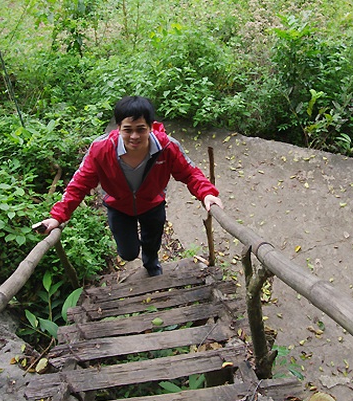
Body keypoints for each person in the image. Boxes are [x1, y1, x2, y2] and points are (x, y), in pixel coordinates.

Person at [36, 96, 223, 276]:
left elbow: (190, 173)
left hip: (152, 203)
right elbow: (79, 184)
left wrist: (206, 193)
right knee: (128, 253)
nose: (134, 136)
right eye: (128, 129)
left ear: (151, 127)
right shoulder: (101, 150)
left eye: (141, 129)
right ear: (119, 128)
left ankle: (151, 264)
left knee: (152, 242)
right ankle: (137, 253)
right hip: (118, 206)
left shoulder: (166, 147)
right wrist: (57, 217)